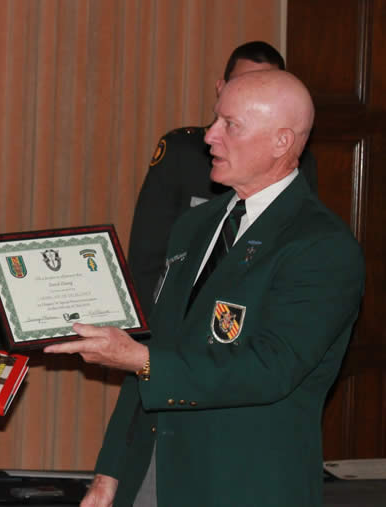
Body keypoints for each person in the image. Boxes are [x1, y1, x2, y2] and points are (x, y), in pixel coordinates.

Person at [45, 70, 364, 506]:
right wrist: (110, 471)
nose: (210, 136)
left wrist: (139, 357)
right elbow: (157, 348)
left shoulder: (320, 245)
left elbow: (269, 369)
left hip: (244, 484)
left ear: (281, 142)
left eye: (230, 125)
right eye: (215, 120)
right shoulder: (196, 225)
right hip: (153, 472)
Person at [129, 41, 319, 318]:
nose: (211, 138)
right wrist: (150, 340)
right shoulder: (185, 159)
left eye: (263, 85)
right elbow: (150, 257)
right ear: (222, 88)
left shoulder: (326, 246)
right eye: (243, 83)